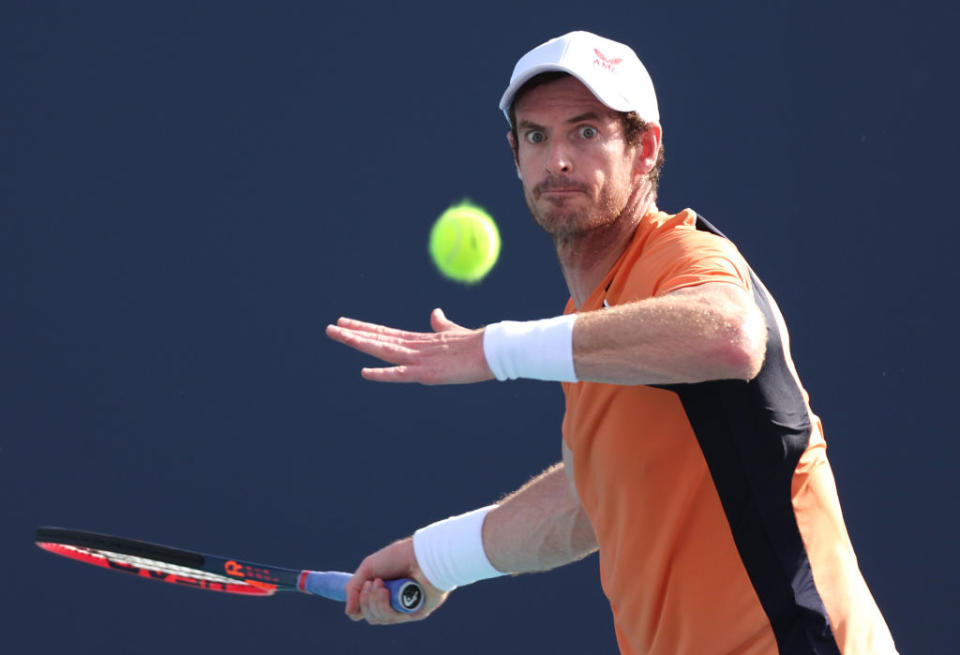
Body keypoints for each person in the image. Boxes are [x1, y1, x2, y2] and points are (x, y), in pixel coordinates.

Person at [325, 31, 898, 655]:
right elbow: (586, 501)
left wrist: (496, 350)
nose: (558, 161)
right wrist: (435, 559)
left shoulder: (682, 254)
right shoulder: (591, 327)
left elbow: (733, 334)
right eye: (536, 137)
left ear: (645, 147)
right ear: (515, 156)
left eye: (587, 132)